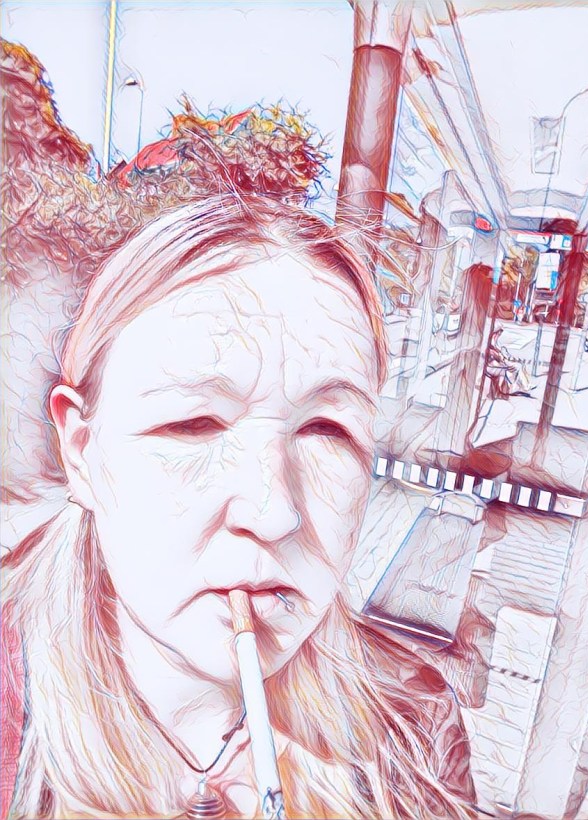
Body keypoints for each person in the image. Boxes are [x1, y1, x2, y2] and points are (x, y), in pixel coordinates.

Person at [1, 193, 475, 820]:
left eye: (328, 430)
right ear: (82, 452)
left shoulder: (414, 726)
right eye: (193, 423)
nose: (274, 512)